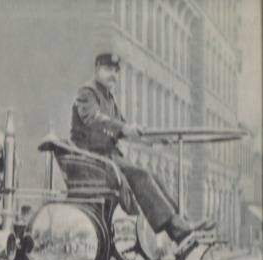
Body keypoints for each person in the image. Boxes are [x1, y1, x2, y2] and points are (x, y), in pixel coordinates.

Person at [71, 52, 215, 243]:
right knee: (141, 174)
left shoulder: (108, 98)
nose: (113, 75)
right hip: (91, 159)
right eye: (107, 70)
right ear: (96, 69)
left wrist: (154, 140)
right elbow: (94, 119)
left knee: (152, 175)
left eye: (115, 71)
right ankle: (177, 229)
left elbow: (124, 129)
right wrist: (124, 128)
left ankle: (181, 222)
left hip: (108, 158)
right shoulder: (87, 93)